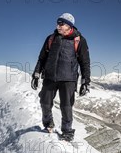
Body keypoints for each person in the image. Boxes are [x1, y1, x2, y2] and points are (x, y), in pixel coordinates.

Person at [31, 13, 91, 141]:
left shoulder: (79, 40)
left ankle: (67, 131)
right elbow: (42, 58)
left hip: (68, 79)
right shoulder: (51, 38)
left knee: (66, 107)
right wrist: (36, 74)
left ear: (69, 26)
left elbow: (85, 62)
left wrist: (85, 82)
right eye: (57, 23)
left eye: (61, 23)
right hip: (49, 77)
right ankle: (48, 124)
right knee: (44, 103)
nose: (58, 26)